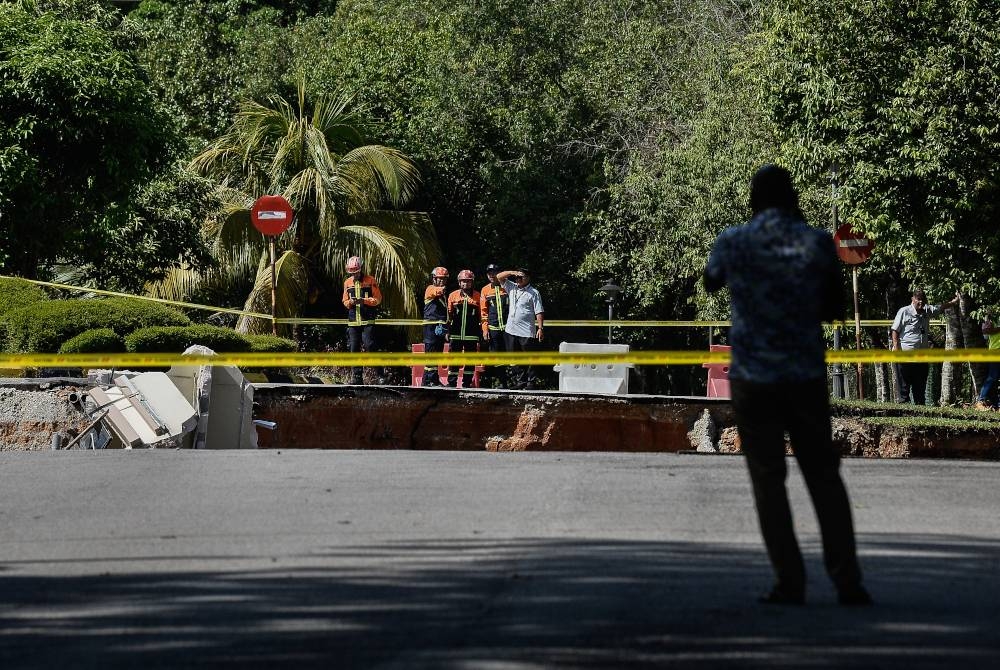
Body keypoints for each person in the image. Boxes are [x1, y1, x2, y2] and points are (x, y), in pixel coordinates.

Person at [704, 163, 871, 607]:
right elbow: (834, 303)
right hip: (804, 375)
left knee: (768, 479)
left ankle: (789, 581)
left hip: (754, 378)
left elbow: (711, 278)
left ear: (753, 200)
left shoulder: (734, 240)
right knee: (822, 475)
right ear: (793, 197)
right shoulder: (816, 241)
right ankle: (847, 579)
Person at [890, 289, 961, 405]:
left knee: (920, 386)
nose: (921, 303)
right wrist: (896, 347)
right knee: (904, 387)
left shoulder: (927, 310)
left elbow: (941, 307)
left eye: (923, 300)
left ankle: (920, 411)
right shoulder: (904, 311)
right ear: (913, 299)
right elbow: (894, 330)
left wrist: (954, 302)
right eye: (918, 300)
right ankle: (903, 410)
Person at [496, 268, 544, 390]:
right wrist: (513, 273)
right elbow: (499, 277)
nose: (518, 279)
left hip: (526, 330)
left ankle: (531, 382)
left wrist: (540, 328)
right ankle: (520, 381)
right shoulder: (512, 287)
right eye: (516, 277)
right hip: (511, 329)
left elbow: (539, 311)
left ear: (528, 278)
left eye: (521, 277)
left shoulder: (534, 292)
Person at [342, 256, 382, 385]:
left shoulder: (370, 280)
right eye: (352, 273)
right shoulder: (347, 282)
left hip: (367, 321)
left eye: (356, 272)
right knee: (354, 348)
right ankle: (357, 378)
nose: (354, 275)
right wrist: (350, 303)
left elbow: (378, 299)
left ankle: (380, 374)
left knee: (370, 346)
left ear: (360, 269)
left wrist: (364, 301)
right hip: (353, 321)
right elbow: (344, 301)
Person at [446, 270, 482, 387]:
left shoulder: (478, 296)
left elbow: (482, 315)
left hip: (472, 334)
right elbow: (449, 315)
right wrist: (447, 330)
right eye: (463, 281)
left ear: (472, 282)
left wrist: (482, 331)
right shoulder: (453, 295)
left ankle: (466, 383)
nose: (465, 284)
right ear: (459, 282)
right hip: (456, 333)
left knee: (470, 360)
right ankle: (452, 383)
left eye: (468, 281)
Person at [479, 263, 508, 387]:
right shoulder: (485, 290)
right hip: (493, 328)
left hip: (509, 327)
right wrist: (485, 330)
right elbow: (483, 312)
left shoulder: (507, 286)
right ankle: (501, 382)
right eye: (489, 273)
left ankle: (515, 382)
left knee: (511, 354)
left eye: (494, 272)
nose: (492, 275)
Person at [421, 266, 450, 387]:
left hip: (440, 327)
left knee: (437, 353)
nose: (442, 281)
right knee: (431, 352)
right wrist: (440, 290)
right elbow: (435, 292)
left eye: (444, 279)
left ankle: (428, 380)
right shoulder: (430, 289)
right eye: (439, 279)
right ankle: (431, 380)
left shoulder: (443, 295)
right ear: (434, 279)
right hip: (431, 326)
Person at [974, 313, 1000, 410]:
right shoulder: (993, 314)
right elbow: (985, 331)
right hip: (995, 350)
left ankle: (997, 404)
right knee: (992, 377)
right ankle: (981, 400)